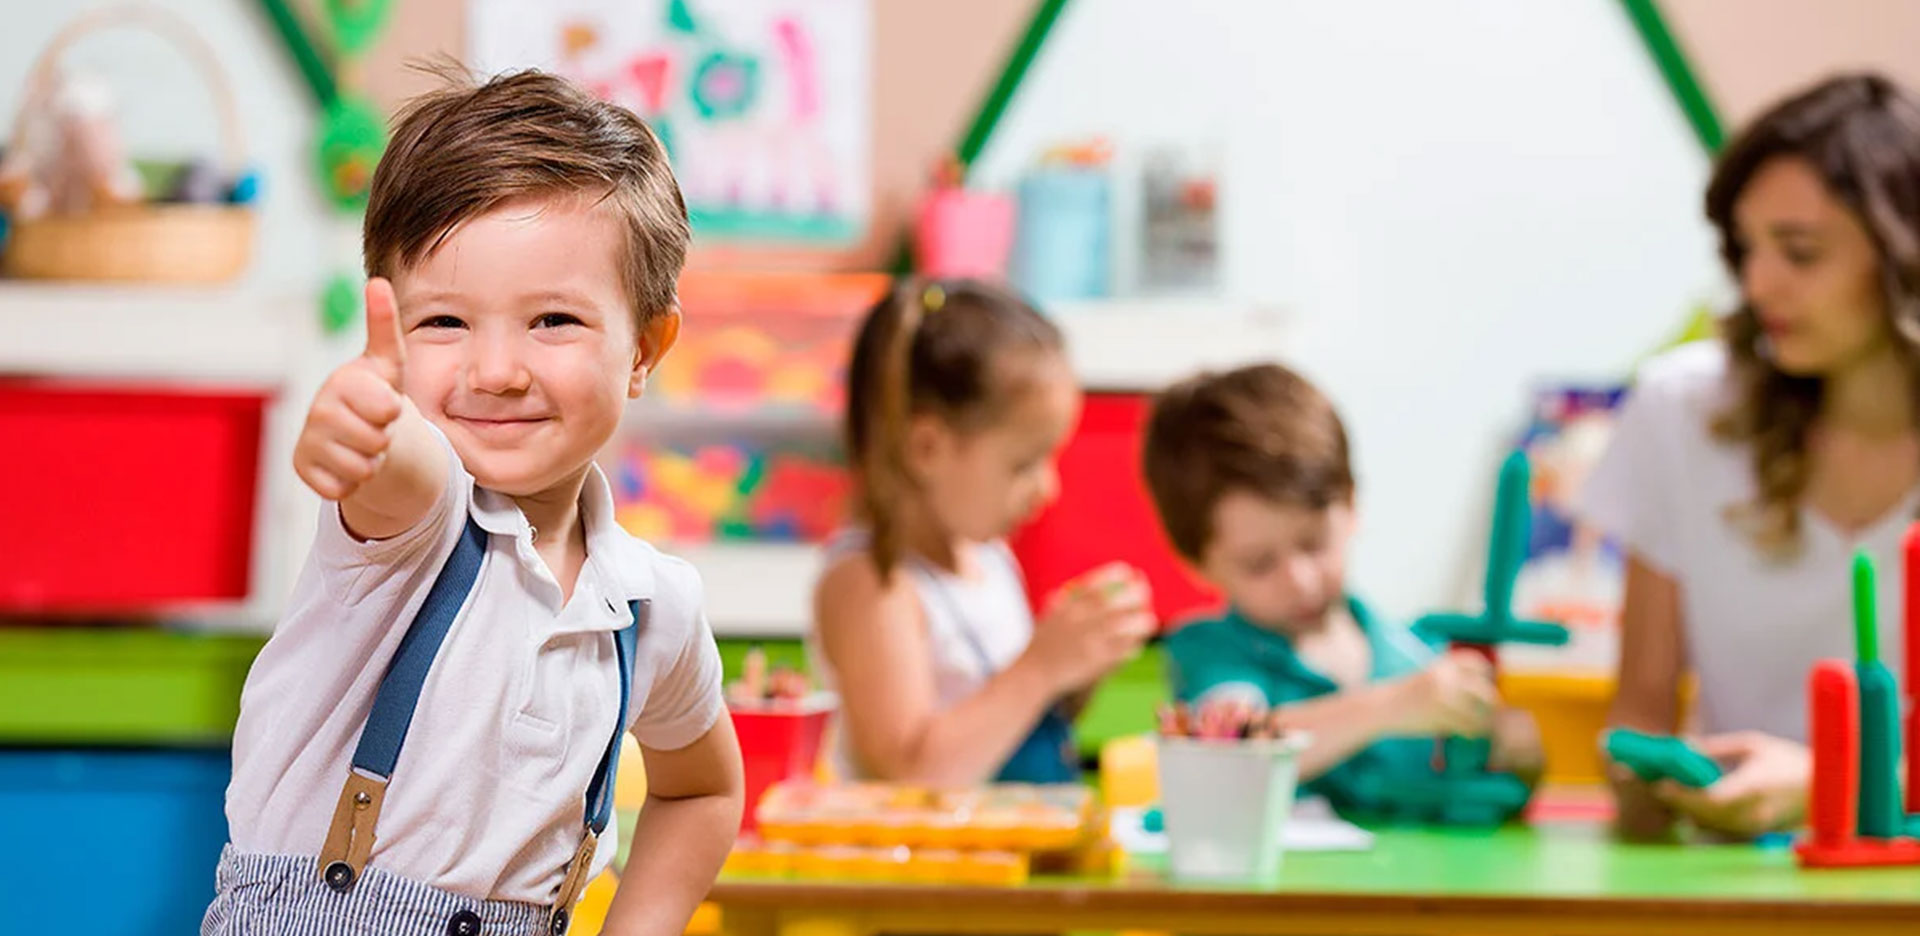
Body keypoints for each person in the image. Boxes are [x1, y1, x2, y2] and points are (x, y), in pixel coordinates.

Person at [204, 70, 742, 935]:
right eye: (444, 324)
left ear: (645, 346)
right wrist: (362, 431)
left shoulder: (652, 605)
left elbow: (705, 789)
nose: (495, 371)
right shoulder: (414, 524)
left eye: (554, 321)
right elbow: (399, 468)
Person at [1584, 73, 1920, 840]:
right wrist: (1648, 773)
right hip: (1733, 883)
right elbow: (1639, 712)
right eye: (1745, 247)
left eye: (1799, 252)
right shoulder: (1683, 413)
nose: (1758, 283)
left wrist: (1823, 787)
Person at [1146, 363, 1544, 821]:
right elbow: (1232, 754)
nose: (1300, 579)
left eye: (1314, 543)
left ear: (1351, 504)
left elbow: (1478, 797)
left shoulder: (1414, 653)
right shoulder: (1215, 654)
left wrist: (1517, 755)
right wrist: (1391, 706)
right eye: (1259, 563)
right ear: (1196, 562)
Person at [808, 279, 1155, 788]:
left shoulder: (989, 560)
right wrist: (1040, 666)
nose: (1048, 490)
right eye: (1023, 465)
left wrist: (1072, 673)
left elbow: (998, 740)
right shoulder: (872, 583)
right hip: (918, 867)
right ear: (927, 448)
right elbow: (910, 776)